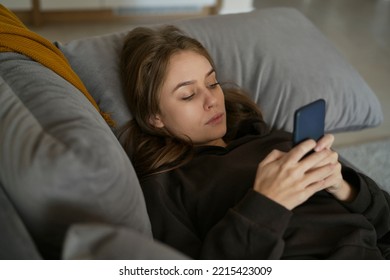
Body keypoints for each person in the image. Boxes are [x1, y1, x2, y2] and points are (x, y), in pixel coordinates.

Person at [119, 25, 390, 259]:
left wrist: (343, 187)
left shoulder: (273, 138)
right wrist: (267, 202)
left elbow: (385, 220)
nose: (213, 100)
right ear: (155, 116)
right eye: (188, 95)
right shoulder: (165, 187)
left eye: (212, 83)